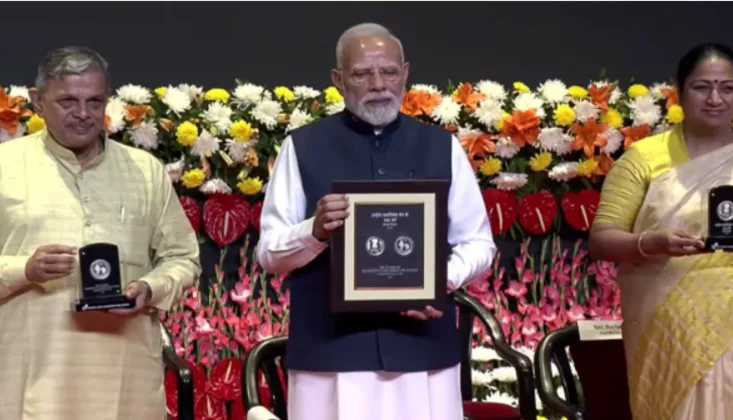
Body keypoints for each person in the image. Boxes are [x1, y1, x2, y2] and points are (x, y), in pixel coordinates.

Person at [256, 23, 496, 420]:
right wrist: (313, 232)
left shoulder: (442, 146)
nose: (379, 84)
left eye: (388, 71)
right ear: (338, 80)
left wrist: (440, 280)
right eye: (362, 73)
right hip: (331, 355)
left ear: (405, 73)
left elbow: (478, 243)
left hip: (423, 353)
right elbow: (269, 253)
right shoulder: (301, 147)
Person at [589, 43, 733, 419]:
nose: (715, 99)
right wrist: (650, 243)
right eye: (702, 87)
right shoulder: (643, 159)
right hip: (672, 330)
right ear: (680, 92)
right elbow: (602, 239)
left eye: (727, 88)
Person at [0, 46, 201, 419]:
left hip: (124, 379)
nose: (83, 113)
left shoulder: (144, 170)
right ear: (37, 102)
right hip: (30, 378)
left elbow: (183, 257)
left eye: (94, 101)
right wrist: (24, 269)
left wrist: (151, 288)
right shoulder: (5, 166)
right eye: (68, 101)